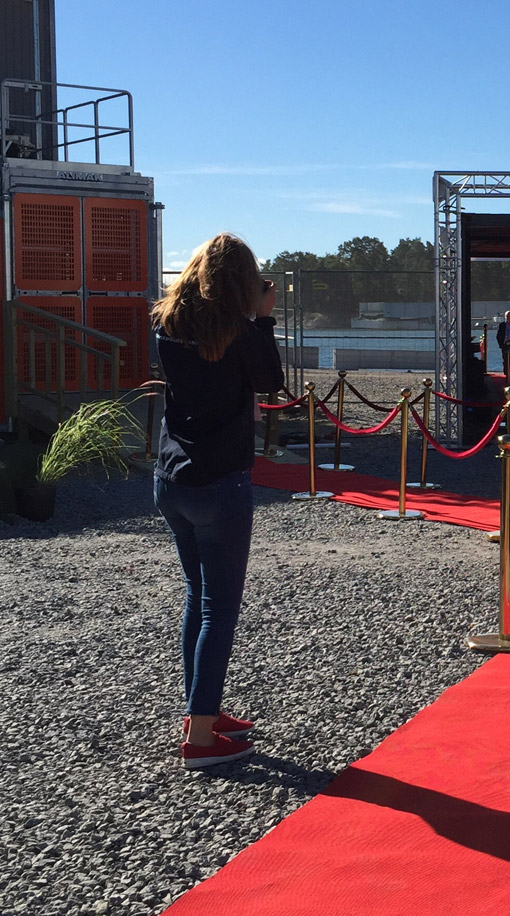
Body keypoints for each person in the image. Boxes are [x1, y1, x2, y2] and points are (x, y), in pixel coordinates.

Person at [152, 233, 285, 770]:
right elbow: (272, 381)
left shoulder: (165, 322)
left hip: (173, 478)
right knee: (218, 610)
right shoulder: (241, 332)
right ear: (243, 283)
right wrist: (264, 318)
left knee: (197, 598)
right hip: (222, 483)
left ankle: (199, 712)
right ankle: (201, 739)